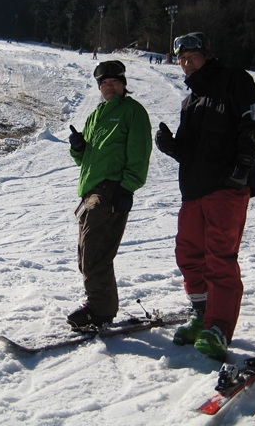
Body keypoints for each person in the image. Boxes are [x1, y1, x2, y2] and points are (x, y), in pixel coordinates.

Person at [155, 32, 255, 361]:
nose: (186, 63)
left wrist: (244, 163)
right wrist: (172, 147)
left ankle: (219, 328)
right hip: (193, 189)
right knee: (188, 255)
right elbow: (190, 150)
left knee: (220, 258)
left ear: (207, 54)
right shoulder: (190, 101)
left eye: (192, 57)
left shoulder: (234, 80)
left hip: (227, 185)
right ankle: (202, 316)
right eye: (181, 59)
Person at [67, 60, 152, 328]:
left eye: (114, 82)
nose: (109, 87)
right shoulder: (96, 114)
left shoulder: (133, 111)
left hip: (111, 190)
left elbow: (140, 152)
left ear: (124, 84)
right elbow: (86, 159)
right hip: (90, 192)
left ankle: (99, 310)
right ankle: (100, 305)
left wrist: (128, 187)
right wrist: (79, 148)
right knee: (86, 253)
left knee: (96, 251)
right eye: (104, 83)